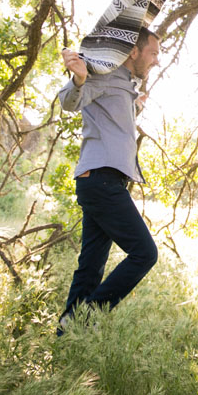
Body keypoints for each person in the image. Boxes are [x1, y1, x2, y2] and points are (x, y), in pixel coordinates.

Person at [56, 27, 161, 334]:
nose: (156, 60)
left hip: (105, 181)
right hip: (100, 180)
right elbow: (68, 101)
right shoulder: (102, 74)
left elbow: (112, 123)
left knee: (90, 267)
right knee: (144, 253)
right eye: (153, 52)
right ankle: (82, 321)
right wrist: (78, 77)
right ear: (134, 51)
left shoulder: (126, 84)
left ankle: (66, 339)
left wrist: (135, 106)